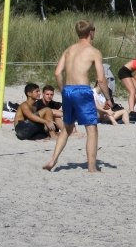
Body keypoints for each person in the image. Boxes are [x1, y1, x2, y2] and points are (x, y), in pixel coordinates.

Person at [43, 20, 111, 172]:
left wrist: (63, 90)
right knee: (91, 129)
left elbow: (57, 72)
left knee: (67, 129)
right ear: (91, 32)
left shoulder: (69, 50)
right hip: (82, 90)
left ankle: (53, 160)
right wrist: (108, 98)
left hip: (68, 90)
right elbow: (101, 79)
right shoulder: (94, 51)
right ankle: (92, 167)